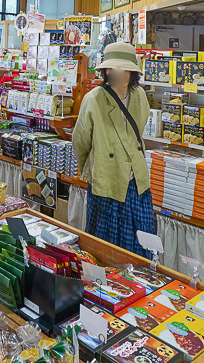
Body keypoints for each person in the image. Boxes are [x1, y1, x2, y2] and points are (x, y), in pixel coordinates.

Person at [72, 42, 156, 257]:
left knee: (139, 239)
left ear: (132, 72)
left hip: (136, 179)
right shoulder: (94, 99)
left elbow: (139, 130)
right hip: (106, 178)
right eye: (111, 68)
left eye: (122, 69)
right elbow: (80, 141)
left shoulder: (139, 96)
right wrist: (94, 169)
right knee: (104, 241)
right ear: (105, 71)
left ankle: (140, 281)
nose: (116, 73)